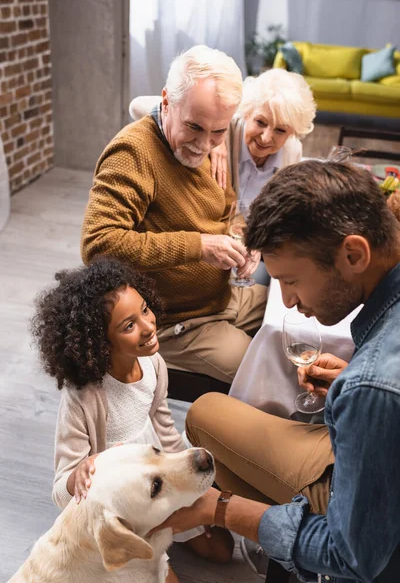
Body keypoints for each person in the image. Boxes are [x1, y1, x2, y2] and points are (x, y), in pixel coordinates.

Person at [151, 160, 400, 582]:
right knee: (209, 415)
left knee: (210, 436)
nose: (287, 302)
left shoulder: (373, 387)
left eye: (292, 280)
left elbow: (352, 558)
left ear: (354, 253)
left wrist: (222, 510)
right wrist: (352, 384)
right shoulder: (374, 379)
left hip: (372, 539)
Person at [30, 257, 234, 583]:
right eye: (128, 325)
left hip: (158, 478)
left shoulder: (153, 364)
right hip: (127, 503)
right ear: (100, 342)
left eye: (144, 309)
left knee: (222, 551)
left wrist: (188, 486)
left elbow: (164, 424)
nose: (148, 326)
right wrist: (78, 476)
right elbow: (61, 491)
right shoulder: (84, 397)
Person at [81, 45, 268, 385]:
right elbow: (98, 245)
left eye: (218, 132)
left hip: (220, 297)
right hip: (172, 321)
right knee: (266, 373)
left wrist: (245, 237)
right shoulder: (133, 153)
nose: (204, 145)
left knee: (288, 314)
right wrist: (199, 246)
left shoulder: (212, 147)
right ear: (165, 101)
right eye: (194, 127)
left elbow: (226, 215)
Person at [130, 68, 316, 284]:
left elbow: (279, 216)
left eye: (280, 131)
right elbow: (136, 106)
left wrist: (257, 242)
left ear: (292, 132)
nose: (266, 138)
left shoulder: (291, 153)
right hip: (204, 241)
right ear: (246, 113)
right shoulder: (224, 128)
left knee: (268, 286)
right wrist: (215, 135)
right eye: (260, 122)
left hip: (247, 250)